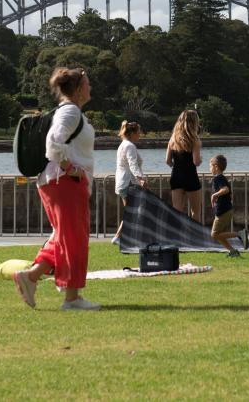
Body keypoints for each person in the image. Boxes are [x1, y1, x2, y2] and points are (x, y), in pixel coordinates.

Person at [14, 67, 100, 311]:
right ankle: (72, 299)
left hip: (60, 183)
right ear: (79, 89)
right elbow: (53, 143)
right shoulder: (71, 111)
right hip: (65, 183)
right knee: (74, 240)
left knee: (63, 237)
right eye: (88, 84)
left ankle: (30, 277)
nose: (91, 88)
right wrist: (71, 168)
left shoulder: (69, 111)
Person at [112, 120, 148, 244]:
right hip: (128, 183)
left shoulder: (124, 144)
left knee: (131, 211)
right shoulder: (129, 146)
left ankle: (124, 237)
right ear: (131, 133)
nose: (140, 134)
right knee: (132, 212)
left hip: (123, 183)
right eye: (138, 132)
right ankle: (119, 237)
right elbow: (133, 164)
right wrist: (141, 178)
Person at [166, 109, 203, 223]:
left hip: (176, 176)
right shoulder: (194, 140)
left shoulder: (173, 139)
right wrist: (200, 159)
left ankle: (177, 237)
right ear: (194, 122)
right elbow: (196, 162)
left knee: (177, 211)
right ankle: (194, 237)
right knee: (195, 211)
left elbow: (167, 161)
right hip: (190, 176)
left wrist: (176, 165)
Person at [209, 154, 248, 257]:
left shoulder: (218, 178)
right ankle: (232, 251)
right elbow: (230, 193)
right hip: (226, 210)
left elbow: (225, 190)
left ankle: (239, 234)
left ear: (216, 166)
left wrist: (214, 195)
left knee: (215, 234)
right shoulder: (222, 178)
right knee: (219, 235)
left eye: (210, 166)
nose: (209, 168)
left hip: (223, 211)